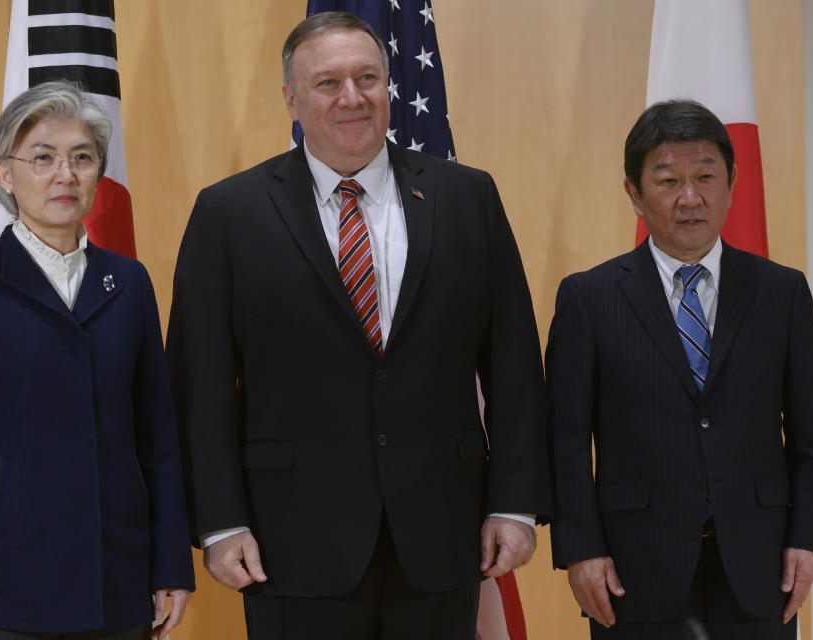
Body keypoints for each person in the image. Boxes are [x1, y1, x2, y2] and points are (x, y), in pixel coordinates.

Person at [166, 11, 551, 640]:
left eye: (368, 77)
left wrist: (514, 503)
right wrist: (219, 523)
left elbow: (511, 362)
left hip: (441, 536)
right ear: (291, 98)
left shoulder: (467, 197)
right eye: (328, 83)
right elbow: (198, 383)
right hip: (289, 543)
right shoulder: (228, 212)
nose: (352, 98)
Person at [546, 99, 813, 639]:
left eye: (706, 176)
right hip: (633, 571)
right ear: (634, 192)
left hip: (759, 564)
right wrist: (581, 550)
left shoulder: (782, 292)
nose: (690, 197)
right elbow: (564, 441)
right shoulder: (589, 298)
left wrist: (808, 537)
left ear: (731, 181)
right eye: (668, 180)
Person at [0, 81, 195, 640]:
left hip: (119, 578)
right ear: (5, 174)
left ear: (99, 174)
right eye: (43, 158)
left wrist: (170, 561)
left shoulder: (130, 282)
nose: (64, 175)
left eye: (82, 158)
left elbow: (157, 436)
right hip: (10, 583)